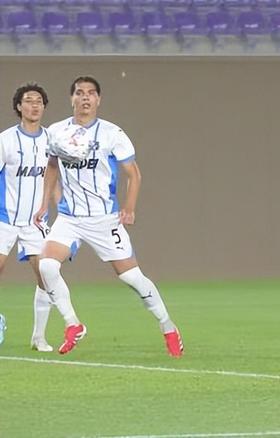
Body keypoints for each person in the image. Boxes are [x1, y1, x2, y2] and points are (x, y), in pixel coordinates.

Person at [34, 76, 183, 357]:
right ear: (71, 98)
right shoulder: (56, 131)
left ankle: (168, 327)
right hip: (69, 217)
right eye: (80, 92)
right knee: (47, 266)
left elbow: (133, 174)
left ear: (98, 100)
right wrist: (44, 205)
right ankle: (73, 324)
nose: (85, 97)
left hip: (104, 219)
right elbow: (52, 166)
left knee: (132, 278)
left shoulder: (112, 133)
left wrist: (129, 207)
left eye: (91, 93)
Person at [0, 83, 54, 351]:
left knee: (47, 274)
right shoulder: (5, 140)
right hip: (4, 218)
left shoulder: (52, 140)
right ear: (19, 106)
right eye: (29, 101)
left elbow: (56, 177)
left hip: (36, 222)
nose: (34, 105)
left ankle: (39, 336)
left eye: (39, 101)